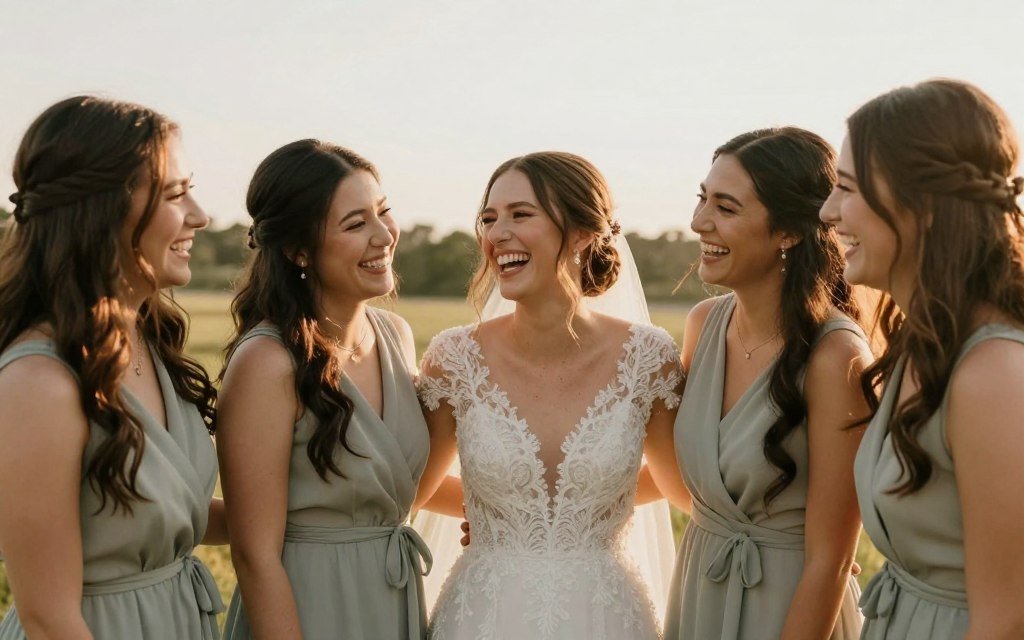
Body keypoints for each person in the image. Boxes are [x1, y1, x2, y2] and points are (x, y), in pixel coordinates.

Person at [414, 151, 685, 640]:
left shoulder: (648, 357)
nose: (497, 234)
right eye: (489, 218)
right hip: (484, 615)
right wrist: (499, 513)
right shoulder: (454, 358)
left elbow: (685, 485)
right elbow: (411, 488)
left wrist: (797, 541)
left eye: (521, 214)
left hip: (606, 616)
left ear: (583, 231)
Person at [0, 96, 225, 639]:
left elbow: (168, 516)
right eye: (175, 193)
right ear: (104, 209)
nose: (200, 215)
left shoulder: (150, 343)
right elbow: (49, 619)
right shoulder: (39, 383)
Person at [820, 79, 1024, 640]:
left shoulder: (994, 375)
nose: (828, 211)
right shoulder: (921, 343)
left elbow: (1008, 620)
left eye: (848, 189)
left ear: (925, 204)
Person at [658, 128, 870, 639]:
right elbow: (701, 483)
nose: (698, 222)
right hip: (699, 590)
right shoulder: (703, 324)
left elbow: (831, 561)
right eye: (702, 199)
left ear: (789, 232)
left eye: (726, 208)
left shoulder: (835, 357)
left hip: (790, 607)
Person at [218, 140, 432, 640]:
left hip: (392, 596)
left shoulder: (394, 336)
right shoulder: (268, 363)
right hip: (309, 606)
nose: (383, 236)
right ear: (298, 250)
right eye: (355, 225)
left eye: (383, 213)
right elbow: (254, 554)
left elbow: (397, 479)